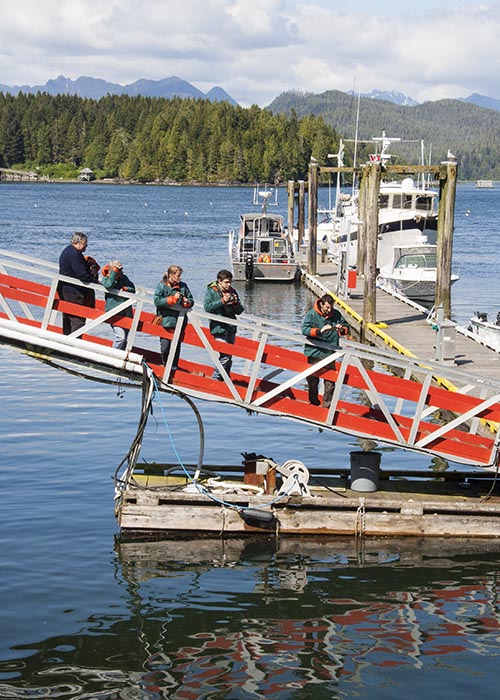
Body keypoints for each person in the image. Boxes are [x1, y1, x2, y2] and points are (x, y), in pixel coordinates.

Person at [302, 293, 349, 407]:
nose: (329, 310)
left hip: (329, 352)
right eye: (327, 307)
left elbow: (346, 328)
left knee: (330, 382)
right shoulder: (312, 314)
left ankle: (326, 406)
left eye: (331, 307)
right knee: (313, 380)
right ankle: (313, 402)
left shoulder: (336, 315)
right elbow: (305, 330)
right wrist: (319, 331)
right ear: (321, 304)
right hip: (314, 351)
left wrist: (341, 329)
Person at [204, 269, 244, 381]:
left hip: (230, 327)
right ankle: (216, 378)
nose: (229, 284)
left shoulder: (232, 291)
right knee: (225, 355)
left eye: (230, 282)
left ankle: (225, 377)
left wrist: (235, 303)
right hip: (218, 328)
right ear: (219, 281)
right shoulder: (212, 291)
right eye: (226, 282)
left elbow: (240, 311)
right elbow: (207, 307)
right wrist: (222, 301)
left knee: (229, 356)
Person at [153, 265, 194, 369]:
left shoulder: (183, 286)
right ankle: (166, 364)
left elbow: (191, 300)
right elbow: (157, 301)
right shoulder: (161, 285)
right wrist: (171, 299)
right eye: (178, 276)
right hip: (165, 320)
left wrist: (187, 302)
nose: (180, 278)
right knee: (165, 346)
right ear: (171, 275)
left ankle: (174, 366)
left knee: (176, 345)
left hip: (180, 320)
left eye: (180, 276)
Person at [58, 232, 97, 335]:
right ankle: (73, 344)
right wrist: (95, 281)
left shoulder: (68, 250)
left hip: (65, 288)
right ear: (79, 243)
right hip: (74, 291)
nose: (86, 246)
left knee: (67, 317)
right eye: (85, 244)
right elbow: (83, 275)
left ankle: (66, 341)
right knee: (77, 320)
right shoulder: (75, 255)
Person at [100, 260, 136, 350]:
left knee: (125, 339)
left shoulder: (124, 278)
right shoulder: (106, 278)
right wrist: (113, 273)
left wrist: (125, 288)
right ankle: (113, 354)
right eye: (118, 269)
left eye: (120, 269)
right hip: (114, 312)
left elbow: (133, 289)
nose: (120, 271)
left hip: (126, 313)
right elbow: (108, 285)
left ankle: (121, 356)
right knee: (120, 337)